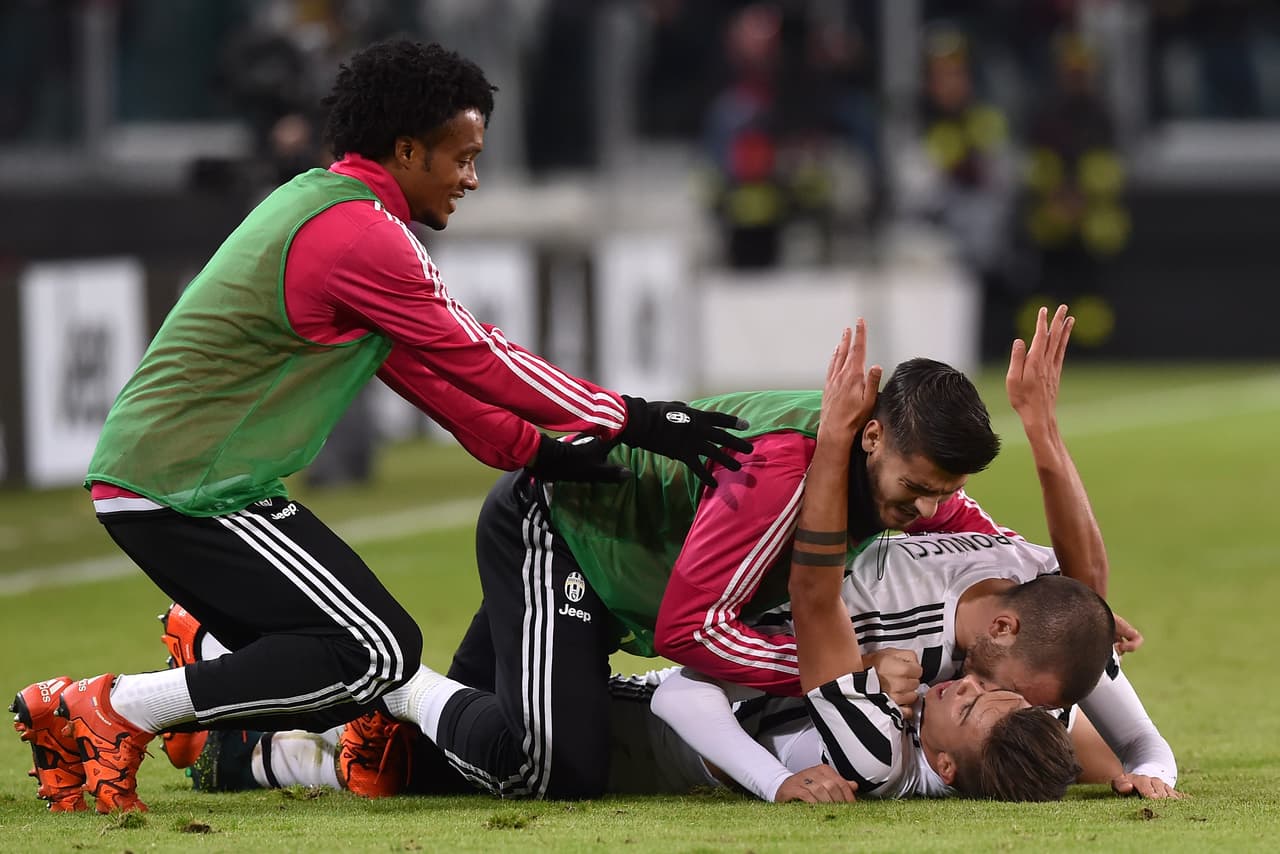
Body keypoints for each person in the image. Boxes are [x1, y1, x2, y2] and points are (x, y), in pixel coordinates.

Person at [10, 39, 754, 815]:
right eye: (461, 157)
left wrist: (537, 451)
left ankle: (195, 662)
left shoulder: (325, 205)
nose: (471, 177)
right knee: (376, 652)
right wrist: (634, 417)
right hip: (186, 485)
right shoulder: (360, 234)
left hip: (189, 481)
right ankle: (114, 707)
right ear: (406, 150)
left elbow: (436, 382)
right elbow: (479, 356)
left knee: (350, 663)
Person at [357, 332, 1022, 801]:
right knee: (554, 770)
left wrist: (1077, 617)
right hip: (560, 537)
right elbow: (690, 632)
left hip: (619, 575)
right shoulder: (782, 472)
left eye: (944, 490)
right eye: (917, 489)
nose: (930, 508)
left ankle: (280, 754)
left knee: (441, 766)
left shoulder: (901, 476)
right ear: (871, 436)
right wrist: (833, 677)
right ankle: (399, 685)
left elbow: (1002, 551)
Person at [653, 310, 1182, 801]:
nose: (1012, 703)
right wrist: (1040, 424)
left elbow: (809, 598)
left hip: (706, 690)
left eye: (1023, 704)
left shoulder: (898, 737)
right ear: (1005, 626)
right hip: (652, 579)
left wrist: (836, 438)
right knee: (1091, 755)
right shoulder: (1036, 607)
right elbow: (1085, 589)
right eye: (1017, 696)